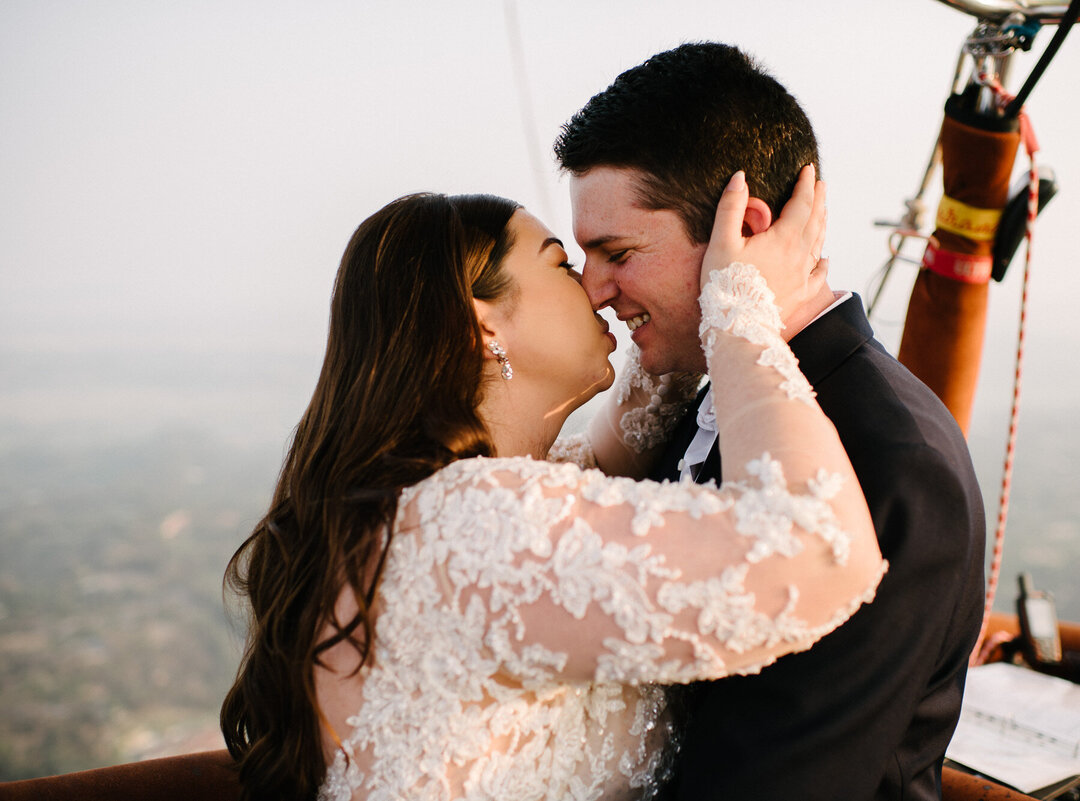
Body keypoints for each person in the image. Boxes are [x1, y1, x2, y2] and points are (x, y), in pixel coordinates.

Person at [220, 178, 887, 800]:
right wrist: (741, 309)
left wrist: (688, 300)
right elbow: (821, 547)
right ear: (483, 324)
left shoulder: (426, 507)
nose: (596, 288)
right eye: (563, 265)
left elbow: (611, 448)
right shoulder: (471, 525)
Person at [556, 42, 986, 800]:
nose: (593, 291)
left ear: (743, 231)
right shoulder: (700, 391)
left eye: (616, 251)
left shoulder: (893, 457)